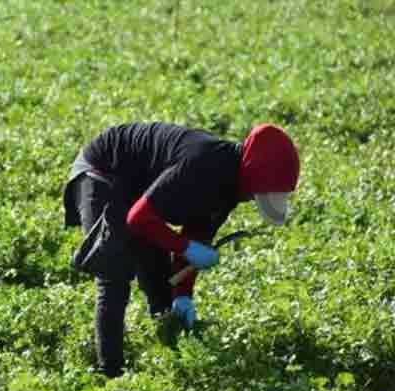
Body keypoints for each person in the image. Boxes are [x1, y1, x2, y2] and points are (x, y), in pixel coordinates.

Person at [63, 122, 300, 377]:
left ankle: (171, 362)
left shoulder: (230, 188)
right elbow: (139, 219)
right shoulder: (203, 164)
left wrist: (182, 295)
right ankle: (110, 376)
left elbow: (195, 235)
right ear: (253, 174)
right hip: (102, 173)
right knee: (114, 273)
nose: (254, 199)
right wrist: (187, 249)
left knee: (161, 282)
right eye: (258, 194)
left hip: (137, 192)